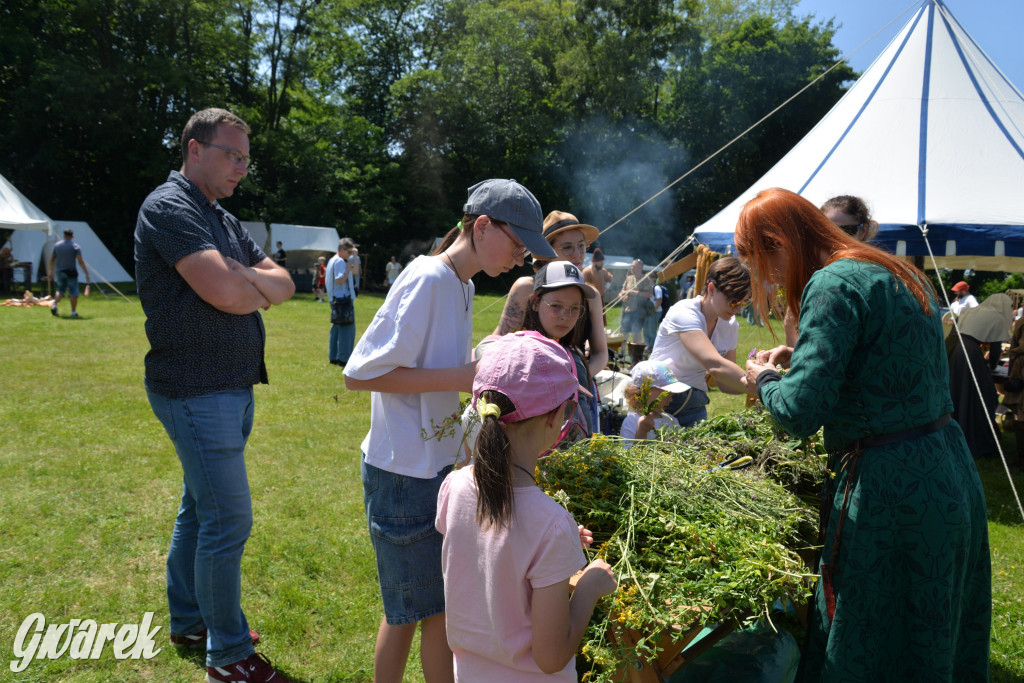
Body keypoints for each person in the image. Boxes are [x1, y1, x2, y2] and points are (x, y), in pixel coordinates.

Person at [738, 188, 990, 682]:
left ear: (778, 242)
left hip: (889, 490)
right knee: (931, 622)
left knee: (870, 633)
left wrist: (764, 379)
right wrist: (808, 361)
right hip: (947, 469)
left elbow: (798, 412)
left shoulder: (832, 283)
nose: (763, 275)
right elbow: (884, 366)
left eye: (757, 259)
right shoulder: (897, 270)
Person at [344, 178, 556, 683]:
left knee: (423, 606)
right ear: (482, 226)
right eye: (518, 242)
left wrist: (477, 364)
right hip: (401, 474)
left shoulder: (460, 285)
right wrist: (464, 376)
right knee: (418, 613)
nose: (521, 256)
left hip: (428, 466)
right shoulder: (430, 279)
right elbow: (359, 374)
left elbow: (431, 366)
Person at [134, 107, 296, 683]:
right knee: (226, 519)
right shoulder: (169, 206)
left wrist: (245, 277)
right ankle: (227, 656)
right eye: (234, 155)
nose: (242, 169)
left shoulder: (220, 218)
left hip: (227, 388)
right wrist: (248, 282)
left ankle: (190, 620)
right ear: (195, 150)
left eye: (247, 159)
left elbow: (286, 283)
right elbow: (225, 292)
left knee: (199, 512)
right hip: (197, 388)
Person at [435, 331, 617, 681]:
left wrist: (555, 549)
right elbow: (551, 657)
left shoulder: (453, 487)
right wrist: (591, 585)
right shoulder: (551, 524)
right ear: (555, 419)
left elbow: (486, 555)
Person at [495, 210, 607, 377]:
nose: (577, 254)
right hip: (525, 385)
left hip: (576, 389)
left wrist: (575, 381)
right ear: (546, 252)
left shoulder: (591, 295)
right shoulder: (526, 288)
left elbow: (601, 354)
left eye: (581, 245)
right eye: (567, 247)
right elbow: (499, 343)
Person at [648, 257, 751, 427]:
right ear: (711, 288)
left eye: (745, 302)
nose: (739, 309)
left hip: (694, 404)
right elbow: (715, 365)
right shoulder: (683, 312)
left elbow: (725, 383)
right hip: (658, 402)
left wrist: (757, 388)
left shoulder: (730, 324)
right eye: (734, 301)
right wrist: (763, 386)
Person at [947, 292, 1012, 459]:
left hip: (957, 350)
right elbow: (996, 348)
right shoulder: (997, 317)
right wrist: (992, 366)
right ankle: (976, 437)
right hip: (970, 352)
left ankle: (959, 432)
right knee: (985, 394)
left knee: (960, 391)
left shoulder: (971, 310)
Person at [619, 360, 688, 445]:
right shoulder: (631, 421)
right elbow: (630, 455)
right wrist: (642, 431)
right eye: (666, 394)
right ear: (643, 392)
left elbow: (684, 444)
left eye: (671, 395)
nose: (671, 400)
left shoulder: (670, 420)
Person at [326, 238, 357, 367]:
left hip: (335, 298)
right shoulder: (339, 261)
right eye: (349, 252)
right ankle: (344, 359)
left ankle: (333, 356)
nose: (350, 255)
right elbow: (339, 280)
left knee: (337, 328)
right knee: (347, 329)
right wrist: (348, 268)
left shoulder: (333, 260)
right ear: (342, 250)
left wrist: (353, 258)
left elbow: (356, 271)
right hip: (342, 299)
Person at [49, 227, 91, 318]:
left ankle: (55, 305)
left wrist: (51, 271)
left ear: (64, 235)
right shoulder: (75, 246)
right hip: (71, 272)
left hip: (59, 271)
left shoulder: (57, 245)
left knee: (60, 290)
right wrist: (86, 273)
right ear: (72, 236)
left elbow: (52, 259)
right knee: (73, 292)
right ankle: (73, 312)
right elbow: (80, 261)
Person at [618, 259, 652, 345]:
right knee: (624, 332)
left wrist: (636, 293)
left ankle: (637, 354)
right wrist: (623, 295)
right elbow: (622, 290)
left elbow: (650, 293)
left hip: (638, 310)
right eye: (632, 266)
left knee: (636, 333)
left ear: (640, 267)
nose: (632, 268)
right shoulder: (629, 278)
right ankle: (622, 353)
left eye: (634, 266)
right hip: (626, 309)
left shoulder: (645, 279)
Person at [582, 247, 613, 319]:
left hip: (600, 299)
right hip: (590, 301)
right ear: (596, 261)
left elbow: (610, 278)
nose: (602, 263)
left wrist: (605, 288)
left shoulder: (602, 271)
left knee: (601, 321)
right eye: (601, 262)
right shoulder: (587, 271)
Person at [642, 280, 665, 357]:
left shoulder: (657, 288)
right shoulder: (648, 288)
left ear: (652, 279)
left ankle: (652, 347)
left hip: (656, 311)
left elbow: (659, 300)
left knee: (652, 330)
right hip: (649, 312)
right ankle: (647, 345)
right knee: (645, 329)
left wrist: (653, 310)